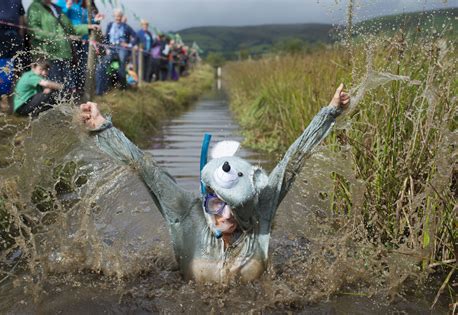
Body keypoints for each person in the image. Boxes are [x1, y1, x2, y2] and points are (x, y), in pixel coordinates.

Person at [79, 84, 350, 282]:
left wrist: (329, 112)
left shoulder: (260, 213)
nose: (228, 215)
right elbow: (146, 168)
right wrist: (103, 127)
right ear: (205, 197)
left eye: (235, 205)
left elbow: (292, 163)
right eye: (217, 204)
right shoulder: (186, 212)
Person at [27, 0, 99, 93]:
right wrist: (54, 38)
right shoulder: (35, 6)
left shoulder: (57, 8)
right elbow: (33, 30)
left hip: (64, 53)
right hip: (48, 55)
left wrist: (87, 27)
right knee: (52, 89)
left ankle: (66, 107)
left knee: (65, 89)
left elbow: (70, 28)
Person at [0, 0, 26, 115]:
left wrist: (22, 35)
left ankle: (12, 106)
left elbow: (21, 18)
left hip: (14, 36)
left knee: (15, 72)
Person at [96, 8, 136, 94]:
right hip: (111, 48)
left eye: (120, 16)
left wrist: (129, 45)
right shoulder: (110, 25)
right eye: (116, 16)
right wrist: (106, 48)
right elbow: (106, 38)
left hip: (122, 48)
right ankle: (101, 91)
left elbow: (136, 37)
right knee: (103, 65)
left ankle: (123, 88)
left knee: (121, 66)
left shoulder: (126, 27)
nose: (118, 18)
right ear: (114, 16)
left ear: (122, 17)